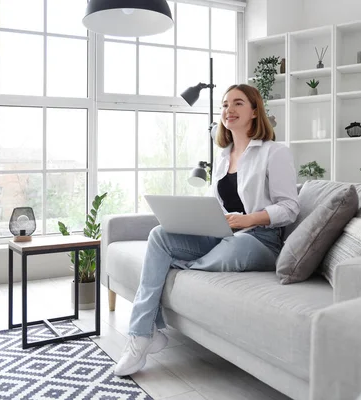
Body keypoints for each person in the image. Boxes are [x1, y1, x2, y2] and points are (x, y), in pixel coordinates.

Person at [114, 83, 300, 376]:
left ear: (255, 111)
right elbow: (219, 204)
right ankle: (141, 336)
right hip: (223, 232)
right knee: (159, 235)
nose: (229, 110)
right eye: (225, 104)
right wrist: (201, 220)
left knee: (233, 248)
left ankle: (158, 292)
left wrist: (248, 220)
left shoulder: (274, 152)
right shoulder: (224, 156)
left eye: (238, 103)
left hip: (260, 240)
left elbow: (290, 207)